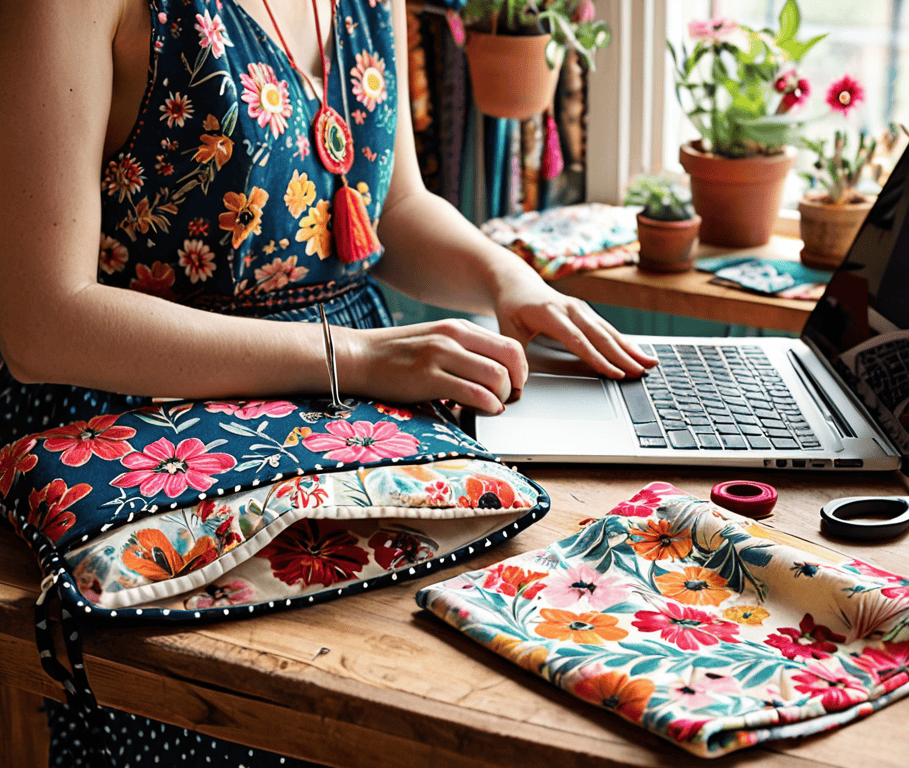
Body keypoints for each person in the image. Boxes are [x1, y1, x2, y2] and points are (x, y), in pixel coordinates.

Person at [0, 0, 655, 764]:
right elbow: (42, 325)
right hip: (155, 446)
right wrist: (354, 357)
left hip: (362, 416)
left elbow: (394, 206)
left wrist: (510, 280)